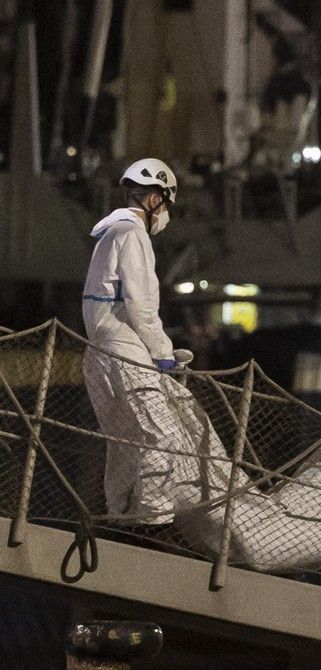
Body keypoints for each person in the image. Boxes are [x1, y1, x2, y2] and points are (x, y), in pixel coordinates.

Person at [82, 157, 190, 525]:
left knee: (124, 439)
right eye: (167, 204)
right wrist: (163, 354)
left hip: (96, 351)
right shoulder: (132, 234)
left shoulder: (110, 233)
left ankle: (120, 513)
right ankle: (153, 521)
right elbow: (141, 305)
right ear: (157, 198)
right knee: (162, 431)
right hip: (121, 348)